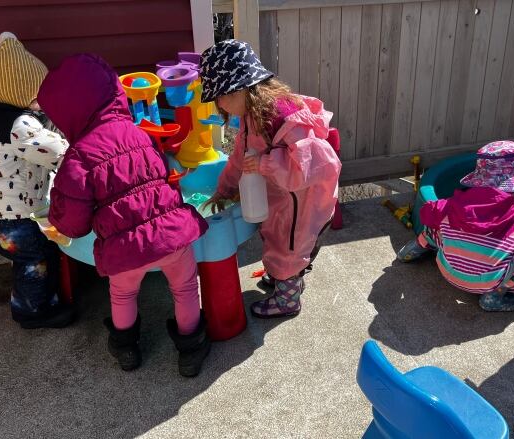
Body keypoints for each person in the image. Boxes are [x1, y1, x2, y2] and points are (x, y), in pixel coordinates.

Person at [37, 54, 210, 375]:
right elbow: (161, 174)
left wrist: (61, 219)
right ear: (113, 93)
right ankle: (191, 350)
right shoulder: (141, 132)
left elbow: (72, 223)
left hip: (125, 248)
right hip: (172, 235)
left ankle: (126, 348)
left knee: (122, 292)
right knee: (185, 287)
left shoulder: (79, 156)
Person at [199, 40, 342, 318]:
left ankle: (288, 299)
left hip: (306, 200)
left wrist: (266, 163)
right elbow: (241, 156)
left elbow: (313, 167)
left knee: (289, 247)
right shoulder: (252, 116)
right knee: (275, 236)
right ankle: (285, 280)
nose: (219, 103)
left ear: (241, 88)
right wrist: (224, 189)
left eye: (221, 96)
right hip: (286, 197)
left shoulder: (284, 118)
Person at [0, 32, 74, 329]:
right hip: (17, 219)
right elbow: (58, 152)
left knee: (28, 261)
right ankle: (32, 312)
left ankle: (38, 300)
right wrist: (82, 151)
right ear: (19, 93)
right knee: (35, 261)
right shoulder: (21, 126)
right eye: (38, 93)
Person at [398, 141, 514, 312]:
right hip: (490, 283)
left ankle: (412, 250)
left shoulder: (453, 204)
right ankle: (495, 297)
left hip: (447, 270)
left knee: (435, 227)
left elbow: (427, 213)